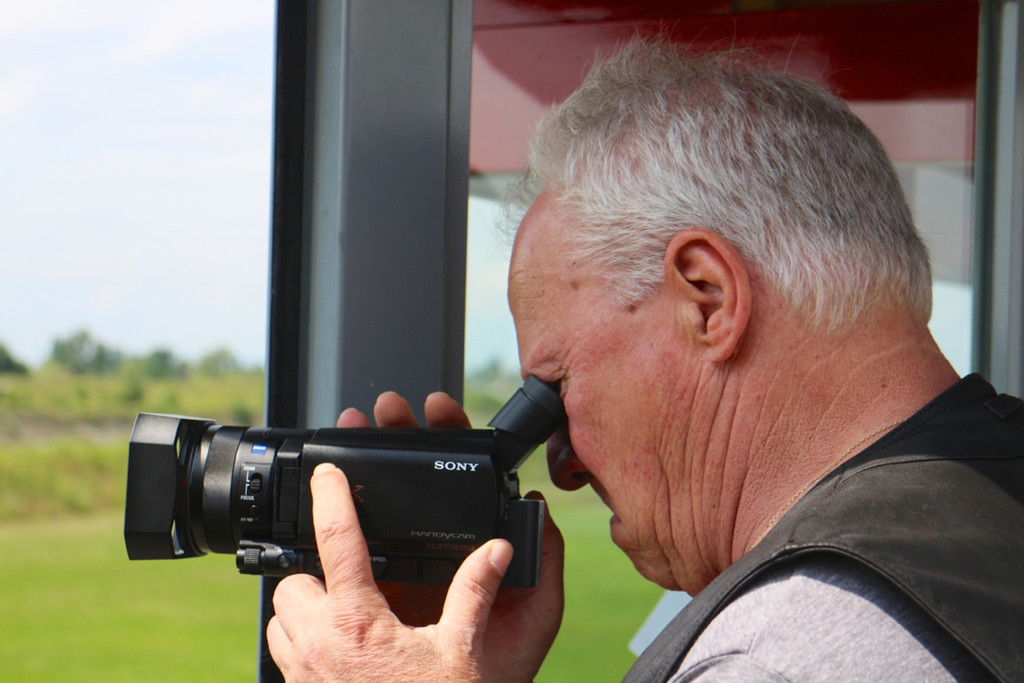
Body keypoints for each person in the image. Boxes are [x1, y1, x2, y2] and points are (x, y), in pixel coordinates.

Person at [266, 41, 1024, 681]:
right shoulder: (987, 510)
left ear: (707, 298)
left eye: (554, 390)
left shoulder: (788, 652)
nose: (560, 468)